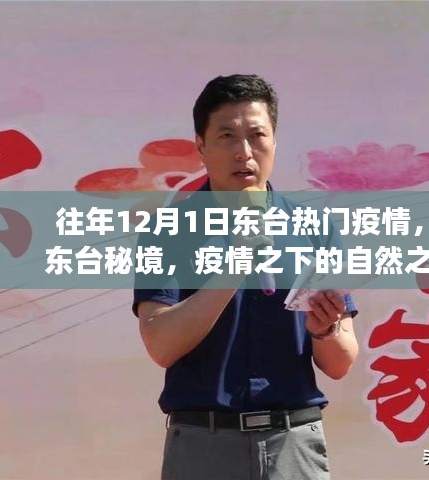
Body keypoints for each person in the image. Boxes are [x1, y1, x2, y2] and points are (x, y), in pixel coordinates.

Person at [133, 74, 359, 480]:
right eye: (227, 137)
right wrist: (237, 264)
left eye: (257, 136)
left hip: (292, 442)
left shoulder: (314, 227)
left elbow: (341, 362)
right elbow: (161, 344)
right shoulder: (167, 230)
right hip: (203, 446)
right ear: (201, 146)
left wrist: (325, 330)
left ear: (275, 141)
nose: (244, 152)